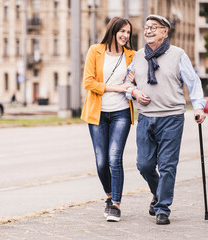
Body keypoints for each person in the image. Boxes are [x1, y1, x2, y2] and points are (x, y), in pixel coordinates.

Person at [126, 15, 206, 225]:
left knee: (168, 165)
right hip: (145, 118)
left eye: (154, 27)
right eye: (146, 27)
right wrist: (134, 92)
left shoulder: (178, 54)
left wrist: (198, 107)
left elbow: (193, 82)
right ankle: (158, 192)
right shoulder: (139, 56)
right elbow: (127, 84)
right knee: (144, 164)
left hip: (171, 117)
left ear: (164, 31)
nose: (148, 31)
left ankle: (162, 209)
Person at [80, 16, 135, 222]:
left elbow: (137, 82)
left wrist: (134, 82)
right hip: (98, 113)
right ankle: (109, 197)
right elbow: (88, 82)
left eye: (128, 32)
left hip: (121, 112)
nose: (125, 35)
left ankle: (116, 205)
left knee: (114, 158)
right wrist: (116, 87)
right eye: (122, 31)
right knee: (101, 161)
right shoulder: (95, 50)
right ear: (113, 31)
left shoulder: (131, 55)